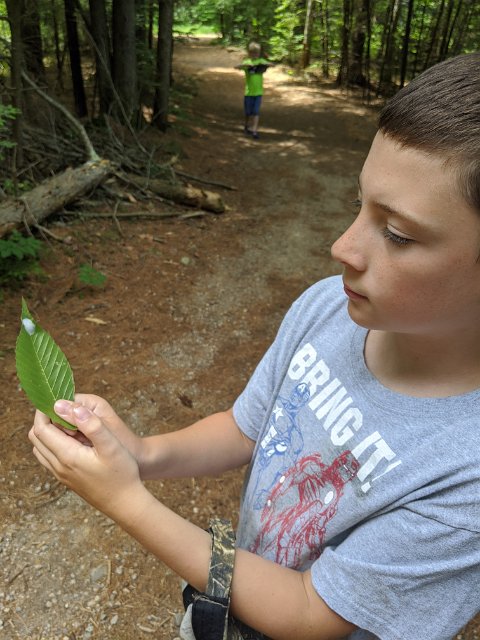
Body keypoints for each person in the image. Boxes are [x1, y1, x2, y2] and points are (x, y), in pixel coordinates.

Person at [28, 52, 480, 640]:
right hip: (228, 605)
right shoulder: (328, 309)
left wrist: (128, 502)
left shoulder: (465, 470)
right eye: (359, 205)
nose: (342, 246)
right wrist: (139, 455)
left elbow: (309, 612)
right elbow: (247, 427)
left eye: (396, 234)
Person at [234, 42, 274, 140]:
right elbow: (236, 67)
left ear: (259, 53)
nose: (255, 55)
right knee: (248, 112)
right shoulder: (247, 62)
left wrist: (265, 64)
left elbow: (272, 65)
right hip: (248, 92)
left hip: (258, 92)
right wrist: (244, 65)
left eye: (256, 53)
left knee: (256, 112)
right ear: (249, 53)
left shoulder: (261, 61)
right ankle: (247, 126)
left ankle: (255, 131)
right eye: (253, 53)